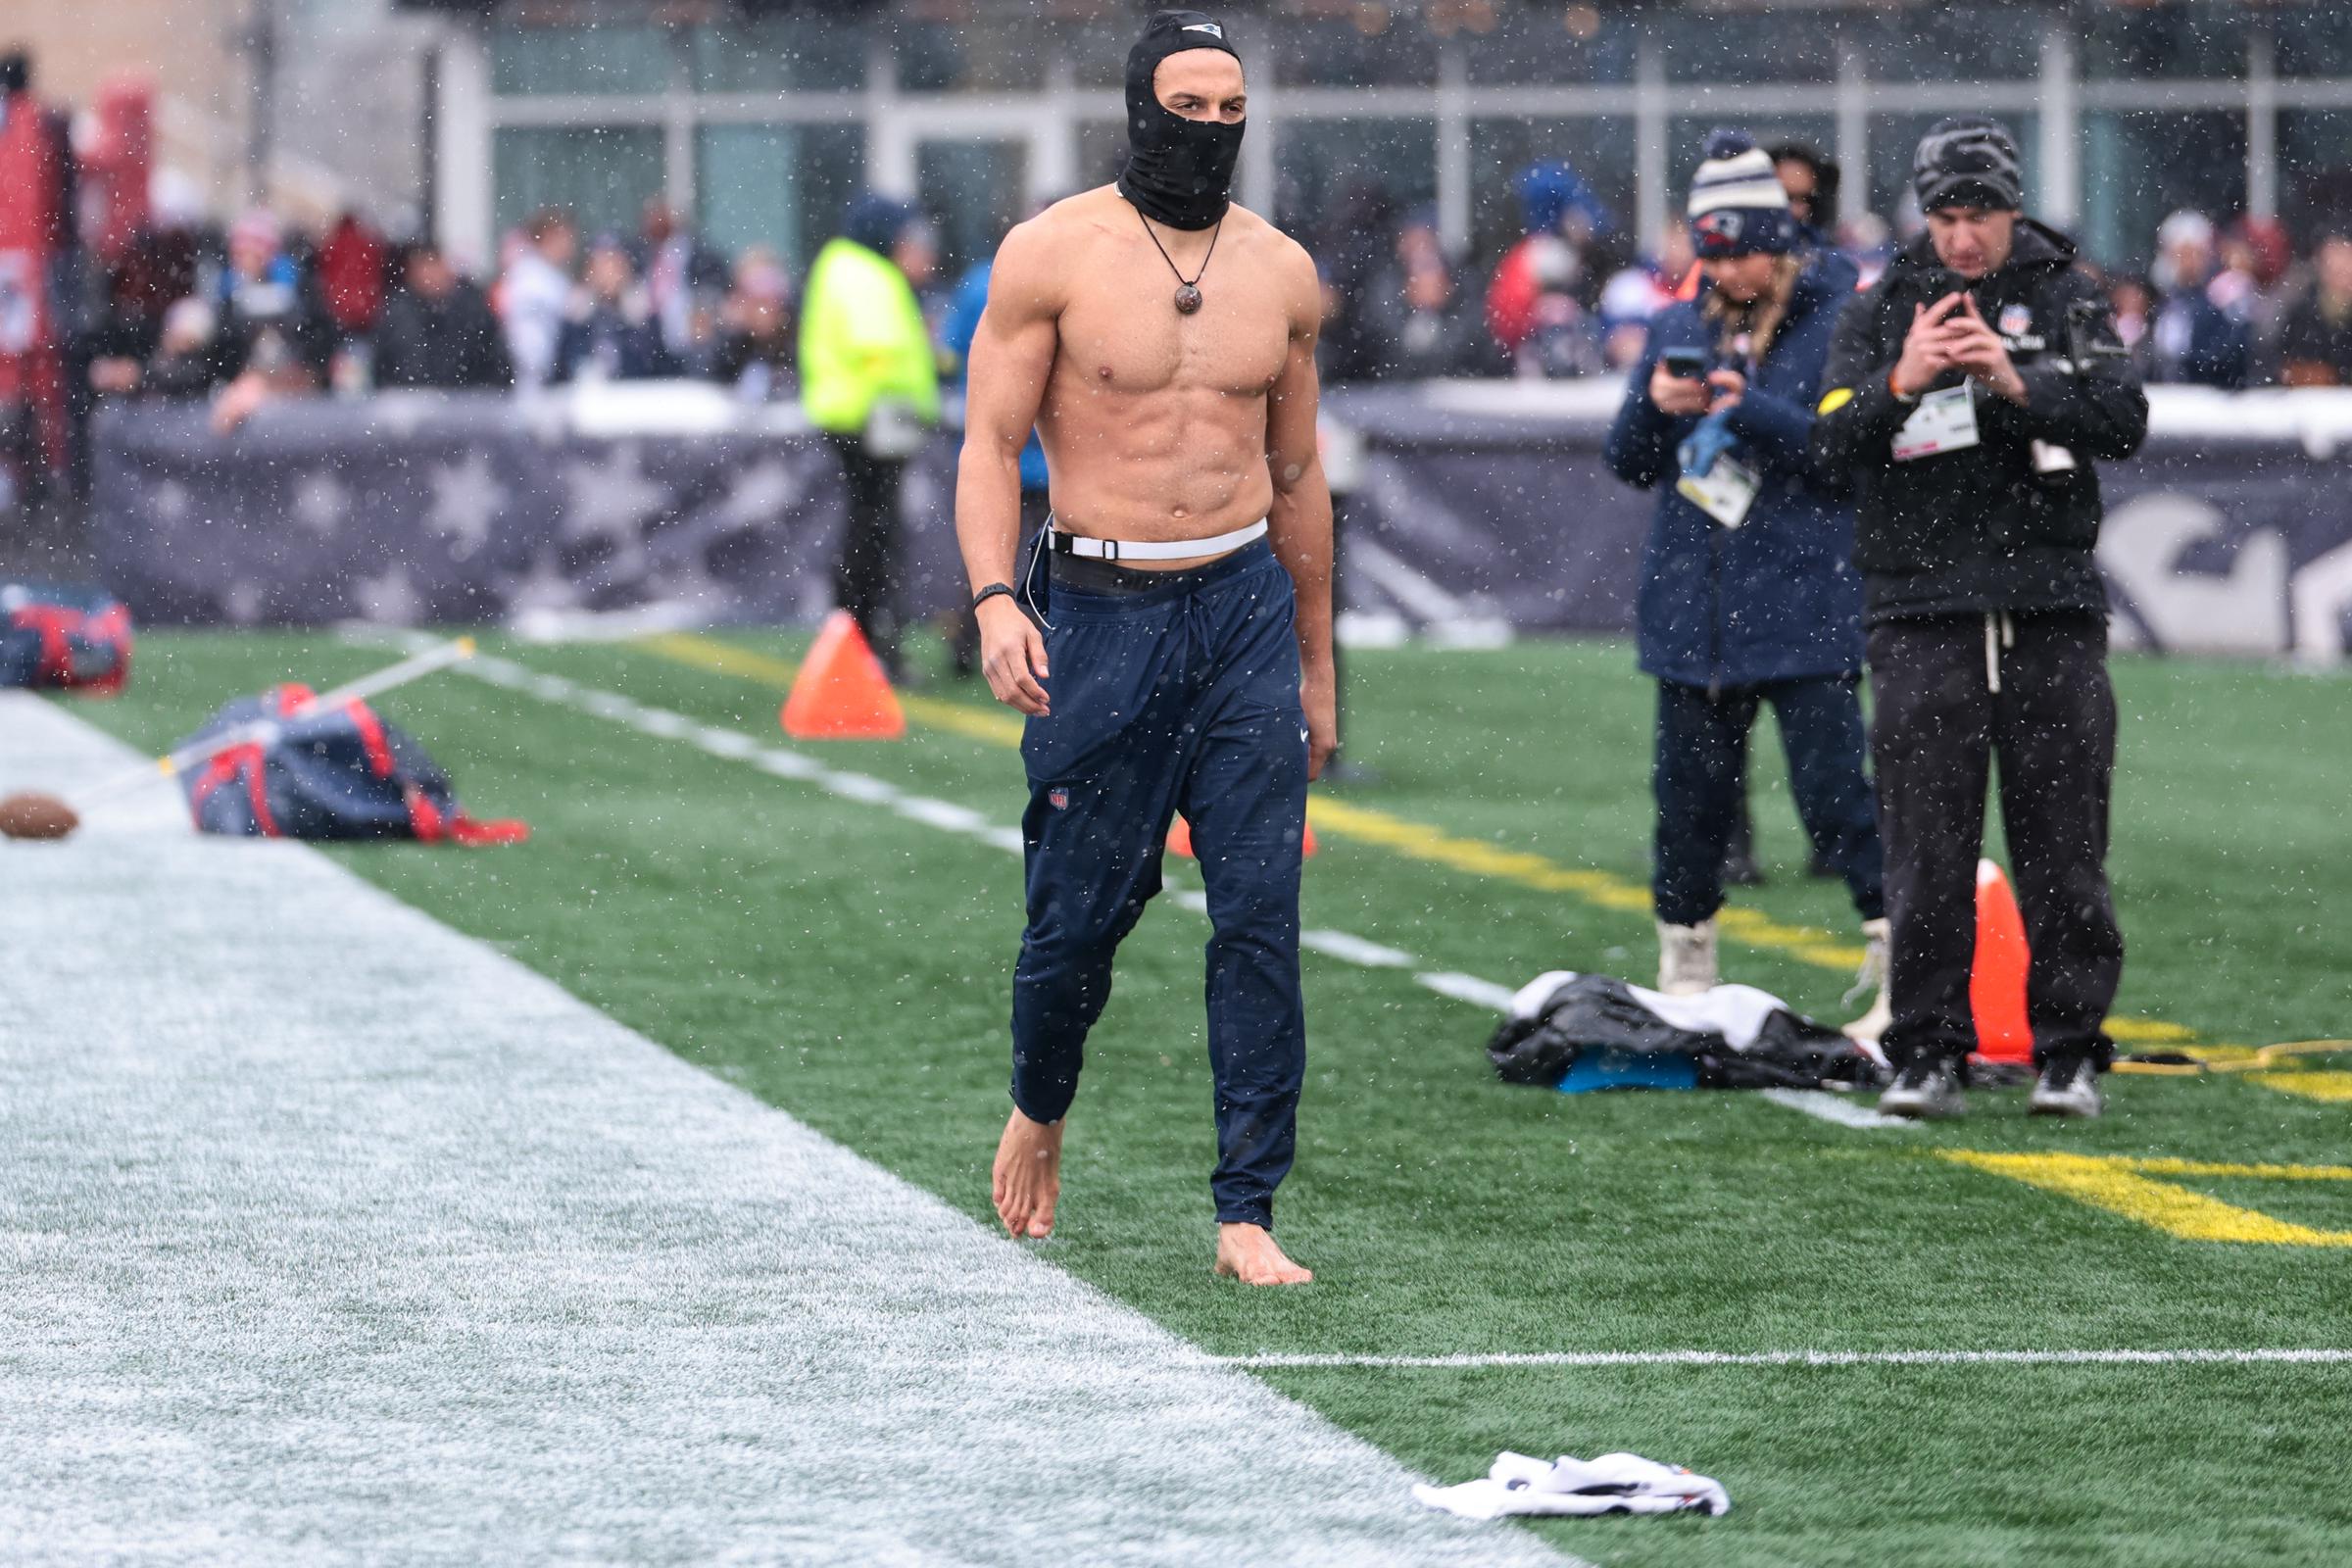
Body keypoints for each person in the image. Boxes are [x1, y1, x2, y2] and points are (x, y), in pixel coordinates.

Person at [955, 9, 1335, 1287]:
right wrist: (997, 600)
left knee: (1261, 920)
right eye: (1192, 106)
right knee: (1077, 921)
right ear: (1141, 109)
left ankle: (1246, 1210)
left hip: (1239, 613)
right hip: (1101, 610)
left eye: (1234, 110)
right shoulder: (1050, 253)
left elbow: (1297, 475)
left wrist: (1318, 664)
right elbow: (985, 451)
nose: (1213, 129)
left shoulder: (1282, 271)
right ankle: (1041, 1104)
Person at [1812, 116, 2147, 1119]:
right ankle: (1924, 1051)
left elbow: (2122, 420)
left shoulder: (2069, 294)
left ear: (2012, 207)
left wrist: (2017, 381)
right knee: (1925, 847)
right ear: (1927, 215)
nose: (1965, 237)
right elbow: (1828, 446)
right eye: (1947, 216)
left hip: (2048, 607)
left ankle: (2071, 1051)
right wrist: (1903, 381)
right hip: (1919, 609)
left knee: (2064, 844)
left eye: (1983, 214)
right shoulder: (1882, 305)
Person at [1602, 129, 1887, 1032]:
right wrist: (1656, 406)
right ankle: (1686, 973)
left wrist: (1749, 408)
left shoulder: (1844, 316)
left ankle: (1902, 968)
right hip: (1696, 610)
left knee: (1842, 800)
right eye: (1713, 251)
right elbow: (1627, 460)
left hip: (1806, 598)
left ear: (1782, 239)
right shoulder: (1680, 321)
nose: (1726, 271)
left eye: (1743, 251)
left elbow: (1849, 455)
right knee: (1688, 812)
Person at [799, 193, 941, 677]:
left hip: (859, 419)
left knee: (869, 534)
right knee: (876, 538)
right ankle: (868, 644)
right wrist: (928, 380)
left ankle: (857, 639)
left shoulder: (846, 267)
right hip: (871, 421)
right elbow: (880, 352)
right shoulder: (864, 273)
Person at [374, 243, 514, 391]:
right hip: (413, 402)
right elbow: (384, 363)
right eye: (422, 268)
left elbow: (495, 363)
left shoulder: (473, 308)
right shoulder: (399, 312)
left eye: (432, 266)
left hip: (467, 404)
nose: (428, 275)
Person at [2149, 210, 2251, 389]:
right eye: (2181, 254)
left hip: (2209, 396)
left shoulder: (2222, 294)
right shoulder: (2168, 299)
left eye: (2193, 253)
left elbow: (2232, 352)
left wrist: (2188, 364)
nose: (2187, 261)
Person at [552, 237, 674, 384]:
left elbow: (662, 371)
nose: (608, 275)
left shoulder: (644, 320)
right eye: (600, 267)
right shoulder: (575, 319)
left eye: (615, 266)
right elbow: (561, 373)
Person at [501, 210, 577, 391]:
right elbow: (527, 344)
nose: (572, 245)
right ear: (550, 236)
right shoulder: (530, 279)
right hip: (533, 384)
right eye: (566, 237)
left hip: (550, 380)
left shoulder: (551, 276)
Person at [2276, 234, 2352, 387]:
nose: (2341, 270)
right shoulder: (2300, 310)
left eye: (2346, 262)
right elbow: (2282, 360)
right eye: (2334, 266)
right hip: (2311, 402)